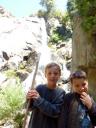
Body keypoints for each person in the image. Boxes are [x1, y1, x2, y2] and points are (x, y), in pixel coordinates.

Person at [26, 62, 65, 128]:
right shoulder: (39, 88)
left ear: (59, 75)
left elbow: (55, 112)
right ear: (45, 75)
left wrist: (39, 100)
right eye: (49, 73)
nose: (52, 76)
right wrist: (28, 99)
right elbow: (30, 108)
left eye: (55, 73)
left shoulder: (61, 93)